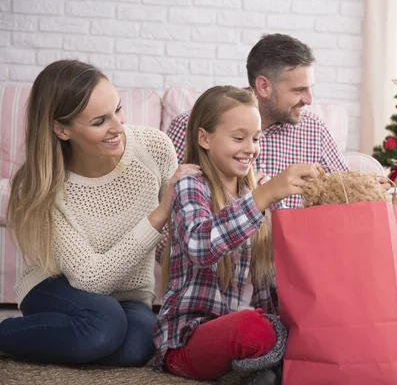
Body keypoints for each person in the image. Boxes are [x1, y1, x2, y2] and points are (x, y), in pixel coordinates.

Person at [0, 60, 198, 366]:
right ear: (61, 129)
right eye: (99, 121)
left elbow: (179, 235)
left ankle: (73, 340)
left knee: (138, 345)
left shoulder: (154, 147)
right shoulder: (43, 186)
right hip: (57, 287)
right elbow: (91, 280)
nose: (118, 127)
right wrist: (160, 214)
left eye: (118, 109)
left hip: (129, 297)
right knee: (104, 324)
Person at [152, 85, 319, 385]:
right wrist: (264, 197)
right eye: (239, 138)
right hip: (190, 338)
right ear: (204, 138)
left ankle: (263, 366)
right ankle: (271, 362)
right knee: (251, 330)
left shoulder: (253, 192)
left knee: (310, 323)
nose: (251, 148)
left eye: (255, 139)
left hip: (254, 323)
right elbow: (200, 246)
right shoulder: (191, 185)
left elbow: (276, 277)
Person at [167, 33, 350, 208]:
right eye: (298, 90)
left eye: (309, 88)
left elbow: (347, 192)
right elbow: (164, 210)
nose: (309, 100)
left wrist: (375, 188)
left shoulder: (314, 129)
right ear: (264, 86)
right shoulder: (191, 126)